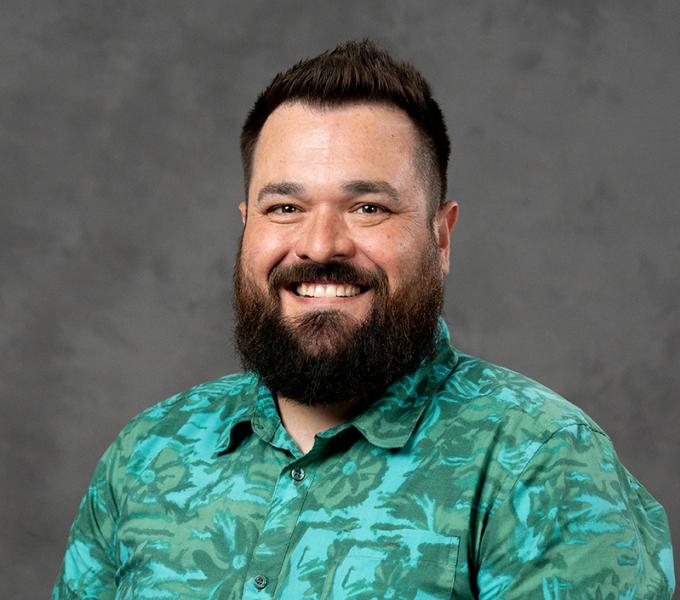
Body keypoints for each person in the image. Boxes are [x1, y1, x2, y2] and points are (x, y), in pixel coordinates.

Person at [53, 40, 674, 599]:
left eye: (368, 206)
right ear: (247, 225)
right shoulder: (146, 455)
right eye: (286, 206)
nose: (320, 245)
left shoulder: (542, 462)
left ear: (442, 237)